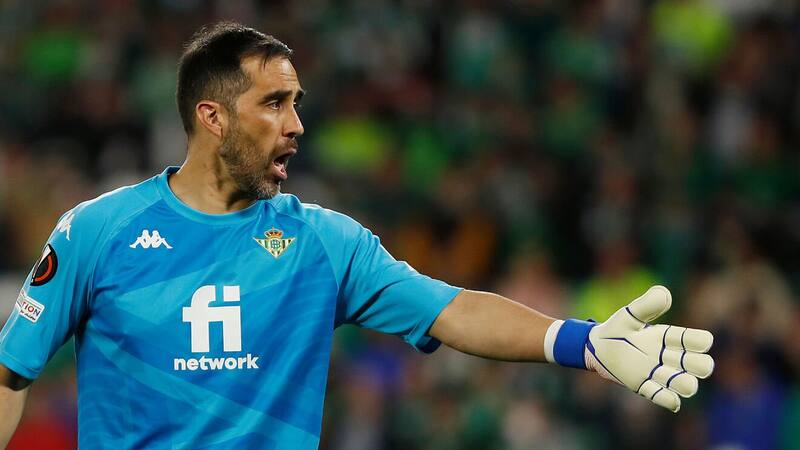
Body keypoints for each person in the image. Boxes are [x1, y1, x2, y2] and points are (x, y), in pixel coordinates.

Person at [0, 22, 714, 449]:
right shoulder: (98, 231)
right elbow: (10, 375)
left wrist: (580, 341)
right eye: (274, 104)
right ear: (212, 118)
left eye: (297, 104)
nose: (296, 125)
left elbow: (451, 309)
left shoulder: (324, 243)